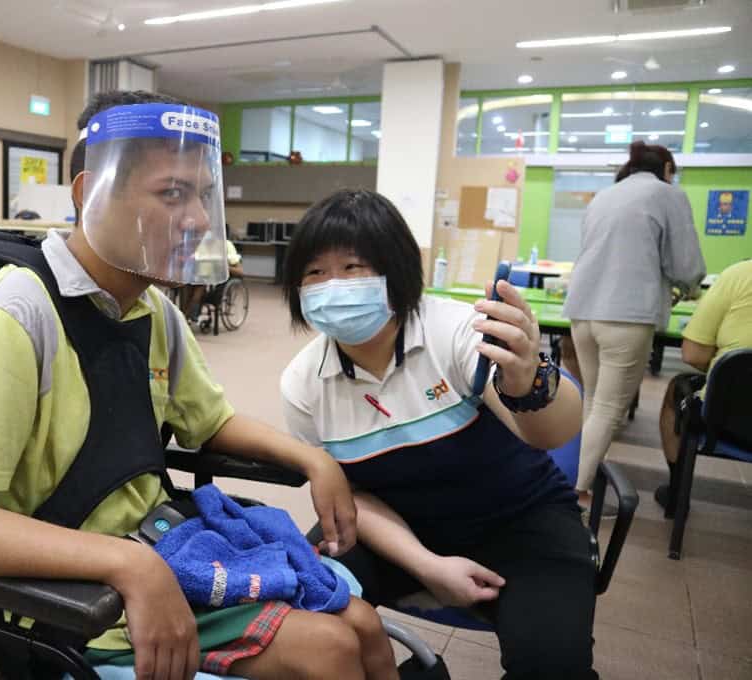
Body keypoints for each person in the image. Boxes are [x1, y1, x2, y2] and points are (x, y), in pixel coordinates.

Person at [0, 91, 405, 680]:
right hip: (62, 592)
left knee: (365, 626)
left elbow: (209, 420)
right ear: (91, 195)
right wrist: (130, 567)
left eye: (203, 196)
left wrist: (313, 460)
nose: (196, 219)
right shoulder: (11, 315)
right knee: (331, 649)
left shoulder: (153, 311)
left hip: (157, 544)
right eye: (172, 193)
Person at [280, 189, 596, 680]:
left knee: (549, 667)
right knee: (298, 613)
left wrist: (528, 379)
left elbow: (551, 432)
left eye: (353, 267)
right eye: (315, 273)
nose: (332, 286)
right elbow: (350, 499)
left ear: (396, 272)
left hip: (522, 523)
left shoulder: (456, 330)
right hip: (395, 533)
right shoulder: (303, 383)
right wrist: (429, 566)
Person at [563, 141, 706, 511]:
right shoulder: (667, 194)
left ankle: (569, 478)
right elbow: (687, 265)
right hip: (625, 313)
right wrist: (689, 287)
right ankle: (574, 494)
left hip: (582, 310)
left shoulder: (605, 196)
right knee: (609, 408)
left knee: (593, 402)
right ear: (667, 169)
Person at [656, 258, 752, 508]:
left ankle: (676, 494)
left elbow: (693, 354)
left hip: (729, 420)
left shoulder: (738, 275)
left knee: (676, 390)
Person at [179, 236, 244, 325]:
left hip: (217, 277)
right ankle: (185, 315)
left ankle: (187, 316)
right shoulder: (200, 243)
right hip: (200, 274)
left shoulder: (226, 245)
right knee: (187, 285)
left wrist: (224, 267)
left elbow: (239, 271)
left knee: (199, 287)